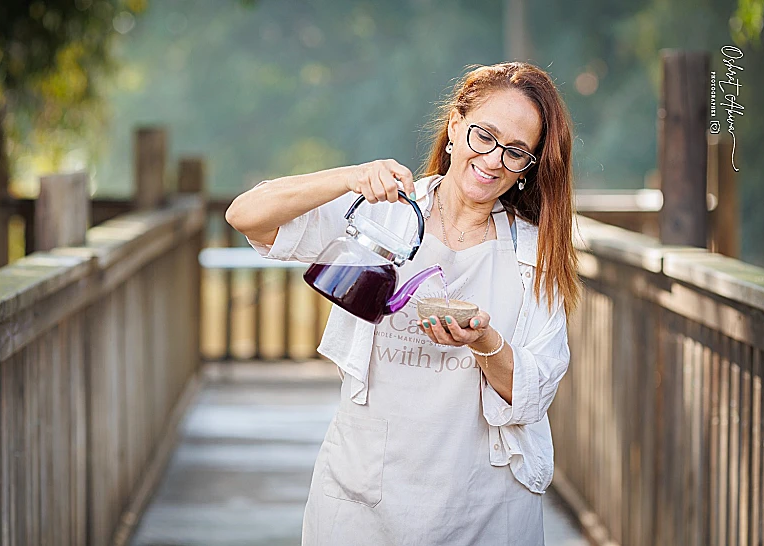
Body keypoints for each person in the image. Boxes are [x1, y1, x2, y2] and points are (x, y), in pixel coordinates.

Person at [226, 62, 580, 546]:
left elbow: (535, 393)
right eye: (484, 136)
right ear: (455, 126)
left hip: (485, 510)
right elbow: (245, 215)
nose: (494, 159)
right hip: (361, 503)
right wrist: (349, 177)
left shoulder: (534, 255)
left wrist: (486, 343)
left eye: (516, 152)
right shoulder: (382, 214)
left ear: (529, 167)